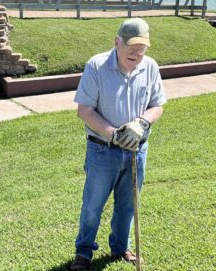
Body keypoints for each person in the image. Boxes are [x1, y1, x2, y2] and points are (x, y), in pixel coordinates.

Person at [69, 18, 167, 271]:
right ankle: (84, 253)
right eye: (131, 47)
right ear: (117, 42)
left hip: (137, 151)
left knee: (127, 204)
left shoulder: (150, 66)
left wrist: (143, 123)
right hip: (103, 149)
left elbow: (157, 105)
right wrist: (114, 134)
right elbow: (85, 111)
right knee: (93, 204)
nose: (137, 54)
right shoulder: (97, 66)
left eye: (142, 48)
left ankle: (121, 247)